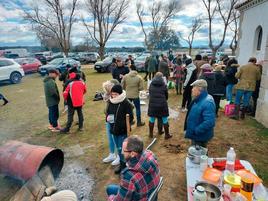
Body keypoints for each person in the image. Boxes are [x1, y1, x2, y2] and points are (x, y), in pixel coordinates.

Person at [106, 135, 160, 201]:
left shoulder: (129, 176)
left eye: (124, 150)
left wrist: (110, 198)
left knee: (110, 189)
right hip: (149, 194)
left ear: (132, 154)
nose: (122, 153)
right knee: (111, 188)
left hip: (141, 197)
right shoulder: (150, 155)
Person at [106, 84, 133, 174]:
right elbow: (108, 112)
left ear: (120, 93)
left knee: (123, 149)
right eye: (112, 94)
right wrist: (108, 118)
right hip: (113, 129)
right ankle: (122, 164)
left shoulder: (125, 102)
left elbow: (130, 117)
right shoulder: (111, 101)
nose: (113, 96)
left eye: (115, 94)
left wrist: (125, 125)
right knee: (118, 148)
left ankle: (125, 165)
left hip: (122, 131)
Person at [184, 79, 216, 148]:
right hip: (196, 135)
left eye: (193, 88)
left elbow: (210, 122)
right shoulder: (198, 99)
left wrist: (196, 131)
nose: (192, 90)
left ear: (200, 89)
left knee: (199, 156)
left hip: (200, 136)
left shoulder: (207, 102)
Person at [148, 72, 172, 139]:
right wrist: (164, 100)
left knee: (152, 119)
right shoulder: (164, 85)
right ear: (162, 77)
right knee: (164, 118)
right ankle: (166, 135)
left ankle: (151, 134)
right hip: (162, 104)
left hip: (153, 104)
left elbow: (150, 93)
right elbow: (166, 95)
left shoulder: (151, 84)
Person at [102, 79, 121, 166]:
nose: (109, 93)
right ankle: (112, 154)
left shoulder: (119, 97)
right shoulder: (108, 96)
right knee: (110, 138)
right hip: (109, 119)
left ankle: (119, 156)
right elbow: (106, 110)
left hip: (116, 121)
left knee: (116, 138)